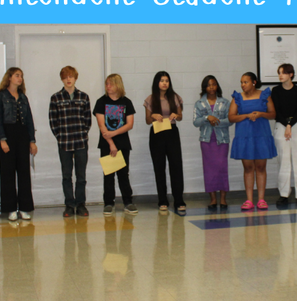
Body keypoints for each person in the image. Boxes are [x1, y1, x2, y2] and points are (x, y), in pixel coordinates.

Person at [0, 67, 37, 221]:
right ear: (9, 77)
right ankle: (10, 208)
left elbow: (29, 120)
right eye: (17, 75)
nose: (20, 78)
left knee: (24, 173)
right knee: (7, 173)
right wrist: (2, 139)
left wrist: (32, 141)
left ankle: (24, 208)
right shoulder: (0, 97)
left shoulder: (23, 97)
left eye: (21, 76)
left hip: (22, 136)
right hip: (8, 136)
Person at [229, 71, 276, 211]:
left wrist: (261, 114)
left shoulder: (265, 95)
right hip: (244, 135)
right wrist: (246, 116)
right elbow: (231, 117)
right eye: (241, 82)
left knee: (261, 167)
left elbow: (273, 114)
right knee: (248, 168)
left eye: (245, 82)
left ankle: (261, 199)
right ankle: (249, 200)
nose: (242, 85)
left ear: (254, 82)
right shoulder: (237, 97)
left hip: (261, 135)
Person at [49, 65, 92, 218]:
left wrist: (82, 134)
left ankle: (80, 204)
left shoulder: (84, 97)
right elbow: (53, 121)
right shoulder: (56, 98)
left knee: (81, 176)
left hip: (81, 142)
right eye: (65, 77)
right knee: (66, 176)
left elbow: (87, 120)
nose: (68, 79)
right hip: (64, 143)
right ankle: (69, 205)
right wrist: (60, 137)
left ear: (75, 78)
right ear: (62, 79)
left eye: (71, 76)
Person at [94, 73, 137, 217]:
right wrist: (111, 143)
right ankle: (108, 203)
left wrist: (114, 133)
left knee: (123, 174)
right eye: (106, 84)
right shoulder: (101, 102)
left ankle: (128, 202)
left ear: (118, 85)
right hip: (107, 144)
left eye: (110, 84)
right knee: (108, 175)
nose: (108, 86)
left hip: (123, 144)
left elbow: (129, 124)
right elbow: (102, 125)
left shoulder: (126, 102)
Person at [145, 71, 186, 215]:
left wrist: (176, 115)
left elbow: (180, 117)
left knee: (176, 166)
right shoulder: (151, 99)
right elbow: (147, 120)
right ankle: (162, 200)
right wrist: (153, 116)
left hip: (172, 132)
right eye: (162, 80)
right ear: (157, 82)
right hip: (157, 133)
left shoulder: (175, 97)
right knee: (159, 167)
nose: (164, 83)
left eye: (167, 81)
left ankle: (179, 200)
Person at [270, 63, 297, 207]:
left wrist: (290, 125)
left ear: (291, 74)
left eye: (284, 73)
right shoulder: (276, 91)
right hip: (281, 126)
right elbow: (276, 111)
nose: (281, 75)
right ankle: (284, 194)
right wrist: (286, 124)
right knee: (283, 161)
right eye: (279, 73)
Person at [192, 74, 230, 210]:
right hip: (207, 141)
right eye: (208, 85)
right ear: (204, 88)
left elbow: (230, 120)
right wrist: (207, 117)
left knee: (222, 168)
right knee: (209, 170)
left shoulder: (225, 102)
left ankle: (223, 199)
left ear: (217, 86)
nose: (211, 87)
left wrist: (216, 122)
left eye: (214, 84)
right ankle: (213, 199)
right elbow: (196, 122)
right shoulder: (199, 103)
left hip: (222, 140)